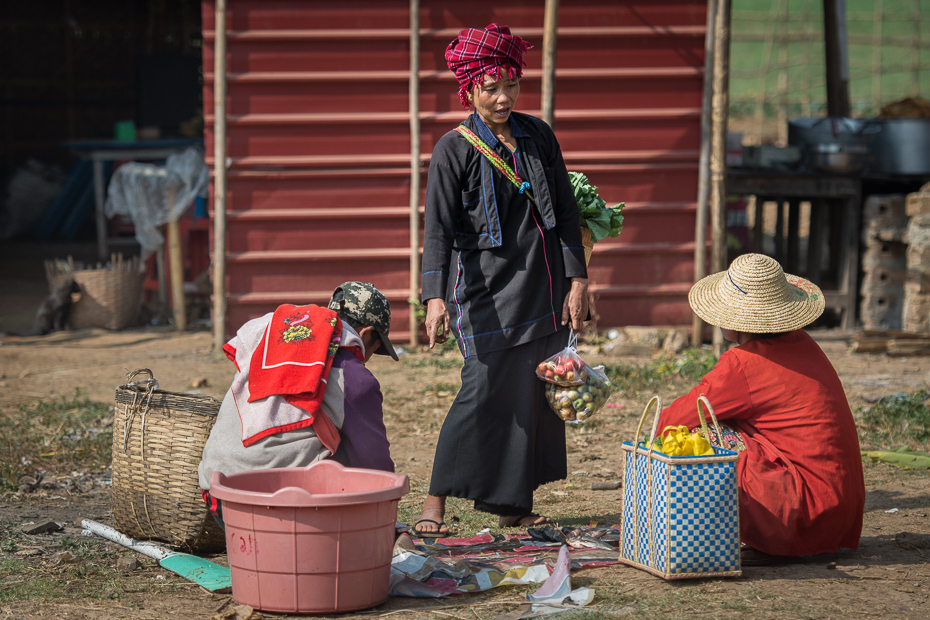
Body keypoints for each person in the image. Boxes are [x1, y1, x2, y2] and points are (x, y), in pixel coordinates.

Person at [414, 23, 589, 536]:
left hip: (544, 283)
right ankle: (434, 504)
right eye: (490, 87)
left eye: (510, 84)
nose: (503, 96)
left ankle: (512, 506)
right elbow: (438, 229)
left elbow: (566, 211)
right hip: (484, 292)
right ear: (469, 90)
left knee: (529, 397)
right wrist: (434, 297)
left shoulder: (539, 135)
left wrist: (577, 278)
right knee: (482, 390)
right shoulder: (455, 148)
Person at [658, 253, 865, 564]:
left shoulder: (743, 364)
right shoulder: (806, 344)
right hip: (841, 513)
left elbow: (670, 421)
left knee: (700, 434)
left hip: (805, 514)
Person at [199, 281, 399, 530]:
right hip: (281, 512)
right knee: (350, 445)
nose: (367, 360)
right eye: (374, 350)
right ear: (367, 334)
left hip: (218, 499)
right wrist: (389, 522)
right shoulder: (355, 377)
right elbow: (375, 465)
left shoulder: (270, 341)